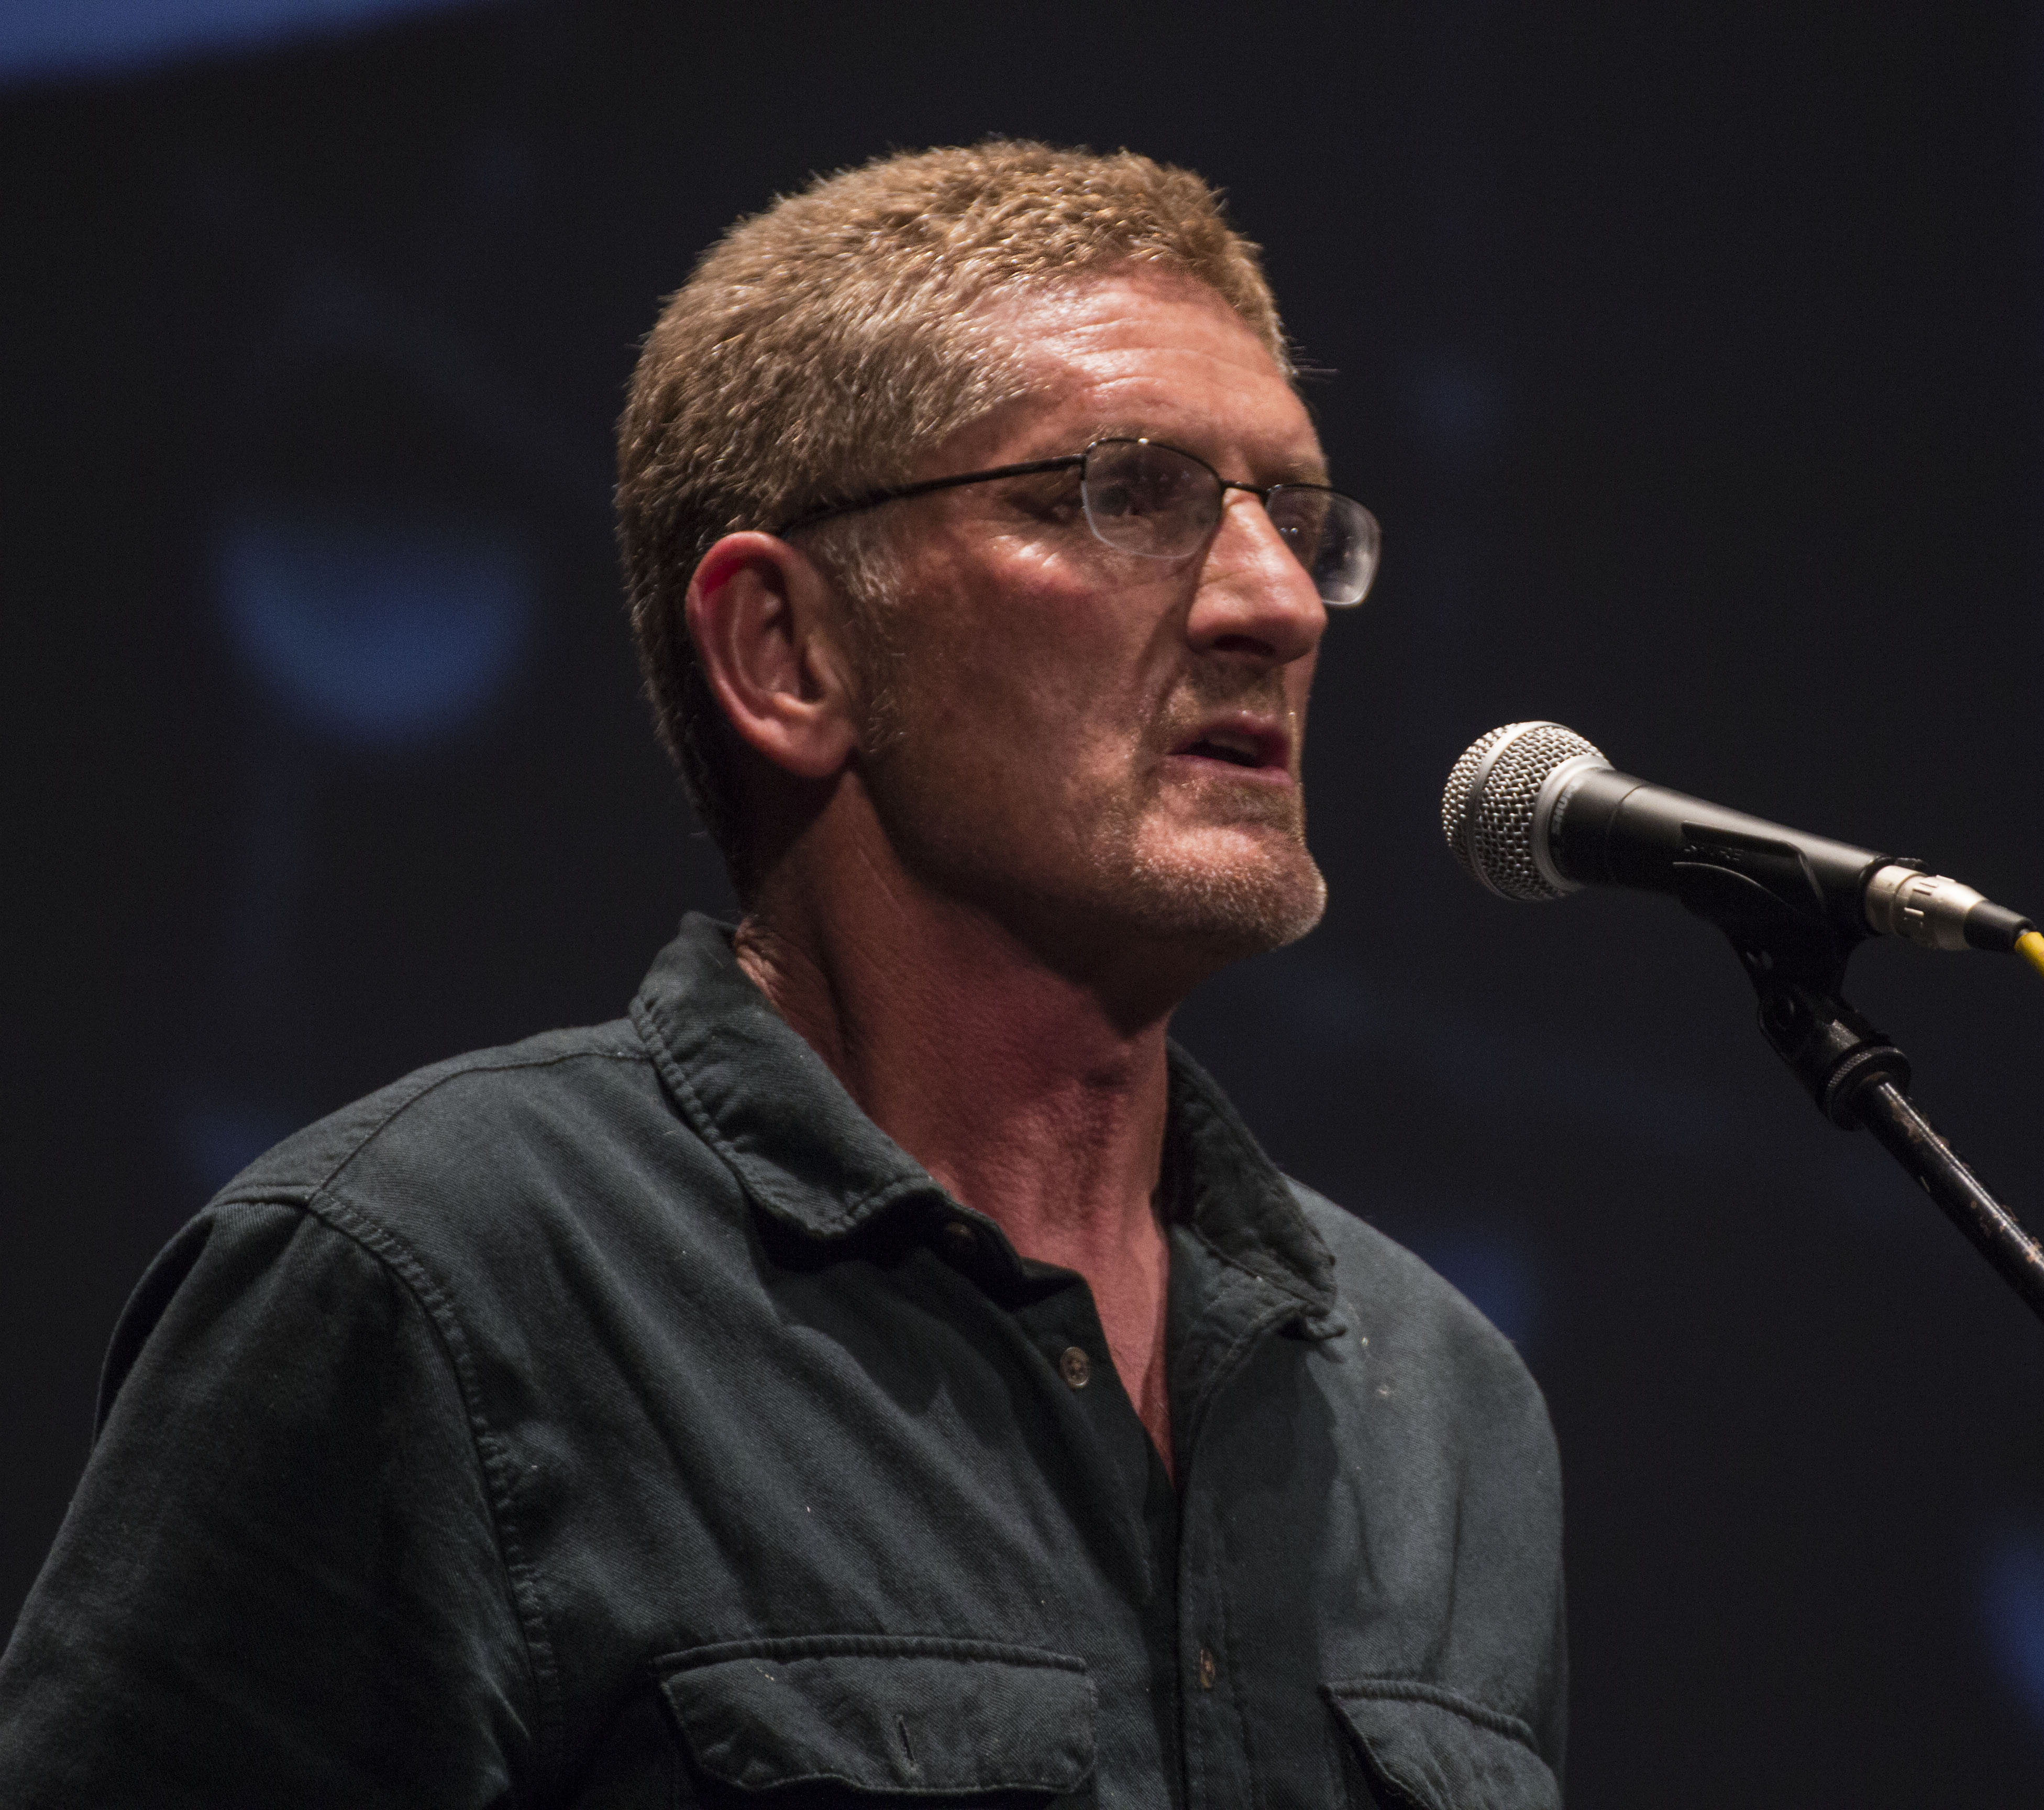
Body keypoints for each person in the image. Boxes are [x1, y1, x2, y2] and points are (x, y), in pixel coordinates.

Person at [0, 142, 1565, 1808]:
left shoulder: (1443, 1403)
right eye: (1128, 496)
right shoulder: (431, 1288)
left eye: (1298, 521)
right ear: (787, 650)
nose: (1278, 604)